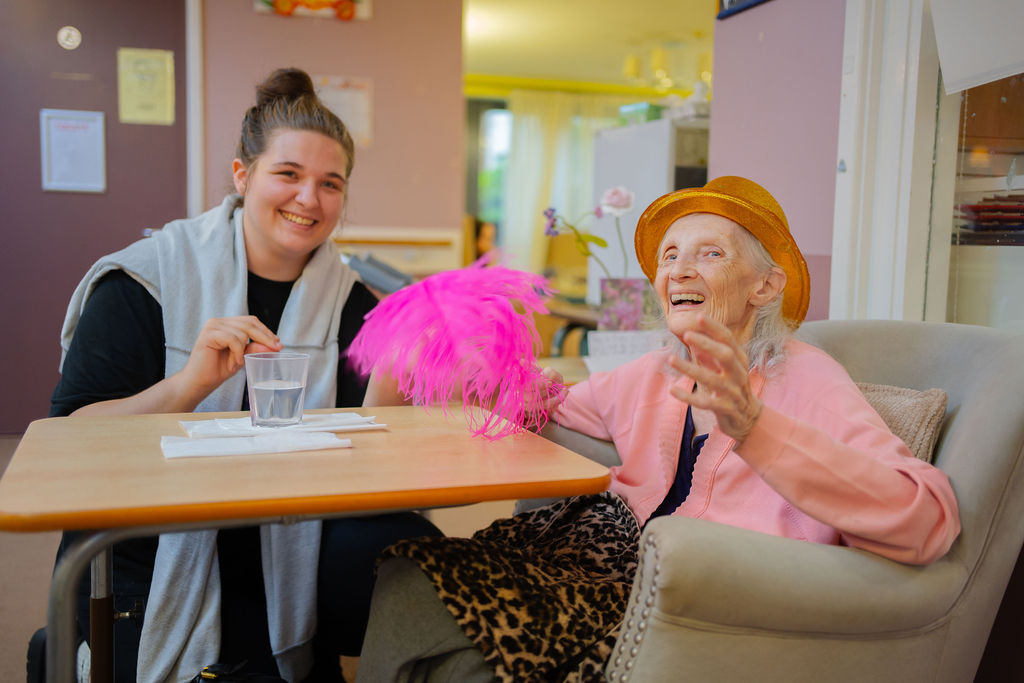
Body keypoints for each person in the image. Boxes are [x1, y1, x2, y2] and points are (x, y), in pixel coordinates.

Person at [353, 176, 962, 683]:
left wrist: (754, 427)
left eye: (709, 253)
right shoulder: (652, 372)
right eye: (669, 256)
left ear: (765, 287)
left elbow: (926, 520)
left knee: (439, 615)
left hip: (713, 599)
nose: (679, 270)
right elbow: (551, 408)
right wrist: (472, 358)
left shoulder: (806, 377)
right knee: (410, 572)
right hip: (609, 567)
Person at [51, 67, 441, 682]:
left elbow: (377, 453)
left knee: (406, 543)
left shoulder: (356, 306)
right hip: (152, 547)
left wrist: (410, 359)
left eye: (330, 183)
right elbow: (67, 441)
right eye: (287, 174)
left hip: (287, 545)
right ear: (242, 175)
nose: (308, 200)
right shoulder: (144, 282)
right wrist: (189, 386)